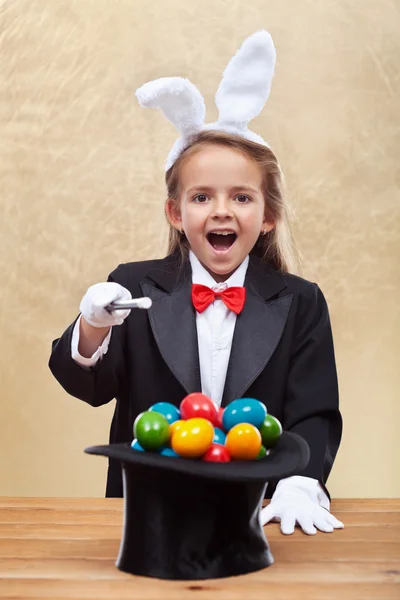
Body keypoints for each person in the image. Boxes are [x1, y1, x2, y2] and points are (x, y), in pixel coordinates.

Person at [49, 30, 343, 536]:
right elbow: (86, 387)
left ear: (269, 215)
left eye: (242, 198)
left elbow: (315, 414)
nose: (222, 210)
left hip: (259, 518)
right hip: (149, 515)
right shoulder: (132, 286)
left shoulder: (301, 302)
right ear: (176, 213)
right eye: (202, 196)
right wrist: (92, 327)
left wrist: (300, 481)